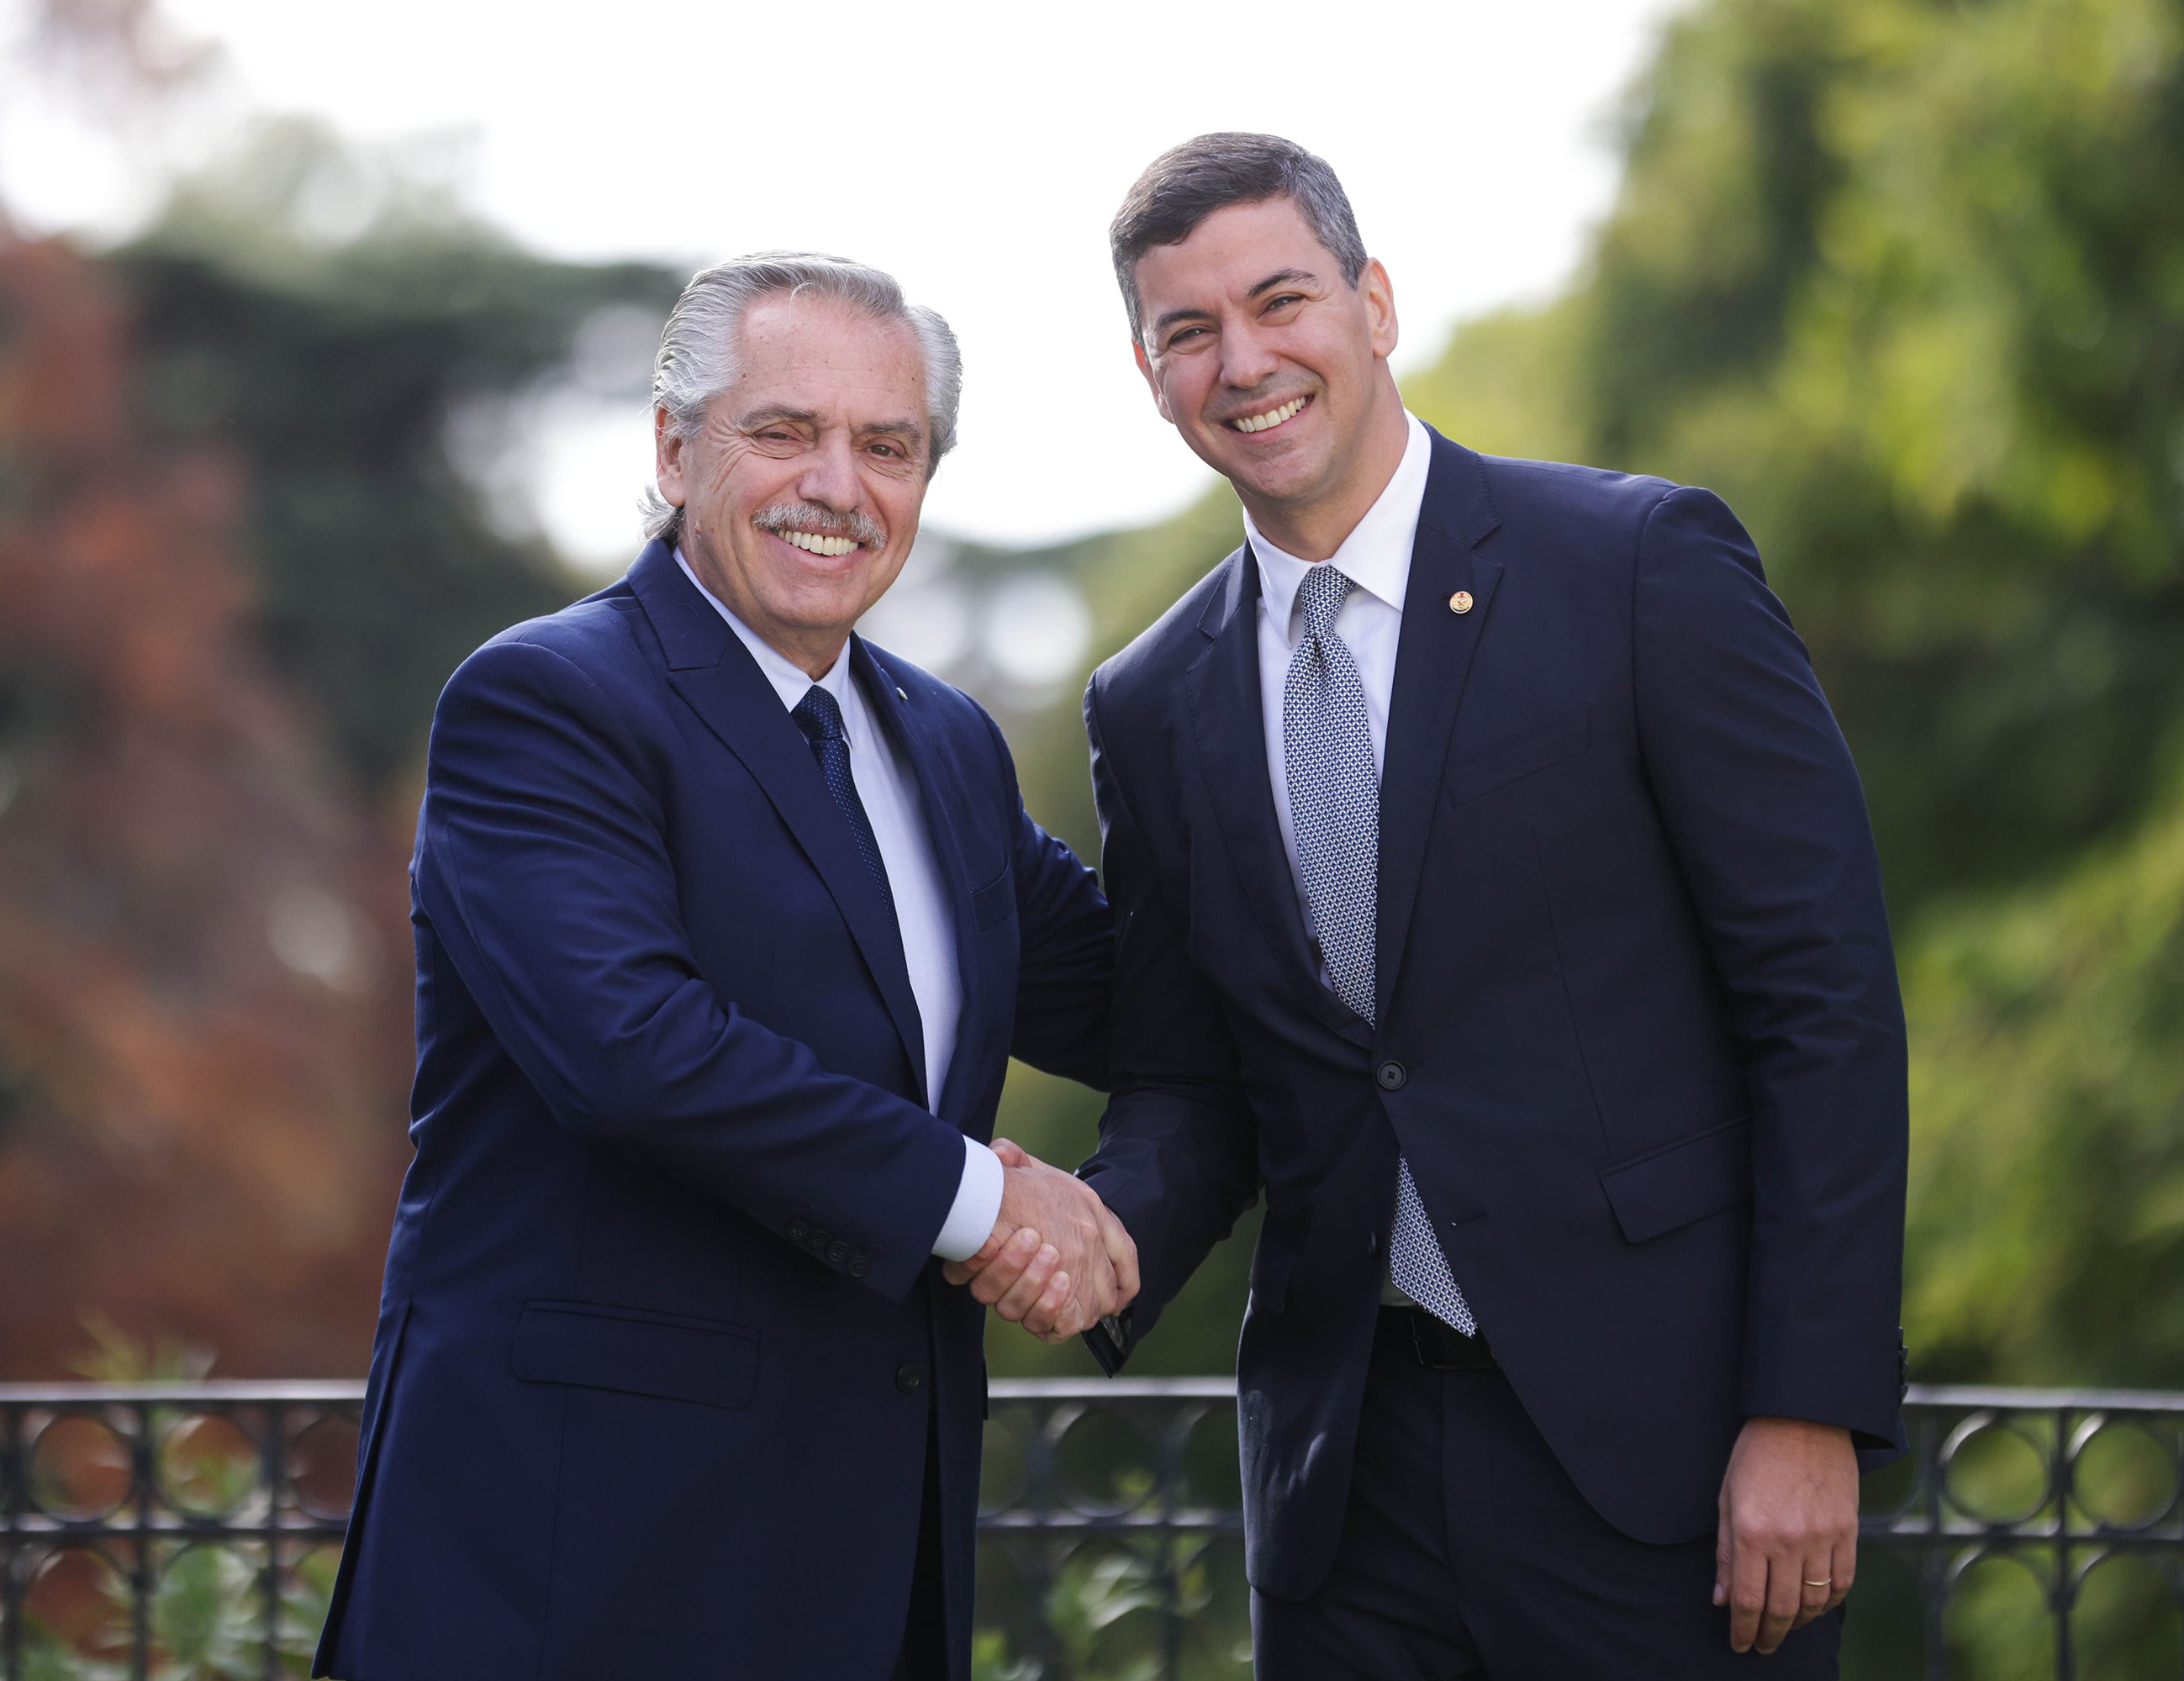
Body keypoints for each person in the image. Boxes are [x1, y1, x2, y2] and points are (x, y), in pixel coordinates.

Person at [957, 134, 1909, 1676]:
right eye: (1188, 333)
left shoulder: (1639, 567)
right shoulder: (1150, 703)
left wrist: (1807, 1408)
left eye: (1280, 302)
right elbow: (1200, 1081)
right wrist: (1076, 1231)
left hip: (1663, 1459)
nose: (1244, 361)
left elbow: (1825, 1007)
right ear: (1148, 372)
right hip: (1348, 1488)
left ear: (1374, 302)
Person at [313, 252, 1136, 1681]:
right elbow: (636, 1051)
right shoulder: (549, 701)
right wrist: (990, 1203)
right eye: (783, 432)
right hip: (581, 1571)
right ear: (674, 447)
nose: (839, 484)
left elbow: (1138, 1003)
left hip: (874, 1567)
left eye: (887, 447)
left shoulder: (946, 745)